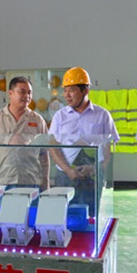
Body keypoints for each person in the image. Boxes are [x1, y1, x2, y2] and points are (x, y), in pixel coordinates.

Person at [48, 67, 119, 215]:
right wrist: (68, 170)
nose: (66, 95)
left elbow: (109, 150)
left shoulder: (103, 115)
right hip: (65, 177)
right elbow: (53, 146)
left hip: (92, 178)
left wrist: (94, 169)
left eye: (71, 90)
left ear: (85, 90)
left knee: (91, 217)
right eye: (65, 90)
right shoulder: (60, 116)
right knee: (63, 217)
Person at [0, 76, 50, 190]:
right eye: (22, 91)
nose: (27, 96)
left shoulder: (37, 120)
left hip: (30, 181)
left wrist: (46, 181)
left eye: (29, 92)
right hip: (1, 181)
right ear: (10, 93)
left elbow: (44, 154)